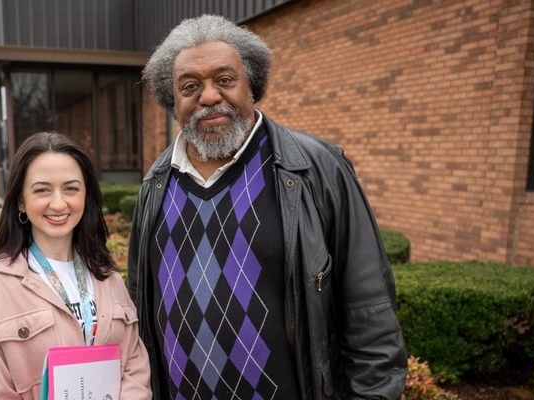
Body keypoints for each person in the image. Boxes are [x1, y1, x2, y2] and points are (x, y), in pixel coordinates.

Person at [127, 14, 408, 400]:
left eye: (224, 80)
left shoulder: (315, 169)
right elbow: (142, 311)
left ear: (251, 85)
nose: (208, 97)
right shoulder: (155, 185)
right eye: (190, 86)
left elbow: (369, 312)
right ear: (171, 99)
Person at [0, 132, 152, 400]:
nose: (58, 203)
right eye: (42, 190)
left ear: (86, 195)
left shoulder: (108, 277)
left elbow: (135, 364)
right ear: (20, 200)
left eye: (71, 188)